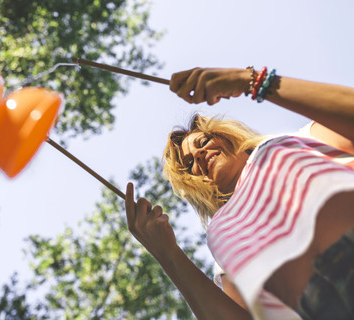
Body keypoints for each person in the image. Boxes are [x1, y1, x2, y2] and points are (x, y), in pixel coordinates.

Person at [125, 67, 354, 320]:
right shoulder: (219, 244)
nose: (199, 155)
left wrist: (251, 81)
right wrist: (167, 253)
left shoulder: (296, 139)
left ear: (225, 136)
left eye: (202, 143)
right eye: (189, 164)